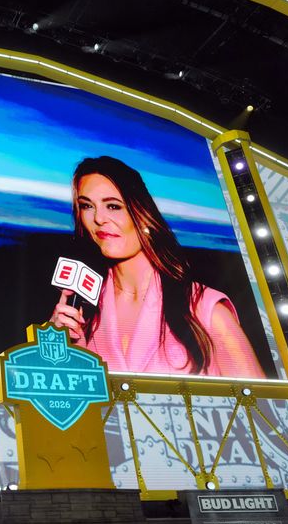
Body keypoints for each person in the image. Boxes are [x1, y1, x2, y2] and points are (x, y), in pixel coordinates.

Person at [50, 156, 265, 377]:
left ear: (142, 213)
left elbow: (263, 407)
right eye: (87, 206)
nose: (99, 218)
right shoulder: (83, 312)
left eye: (113, 206)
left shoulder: (205, 309)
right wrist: (59, 346)